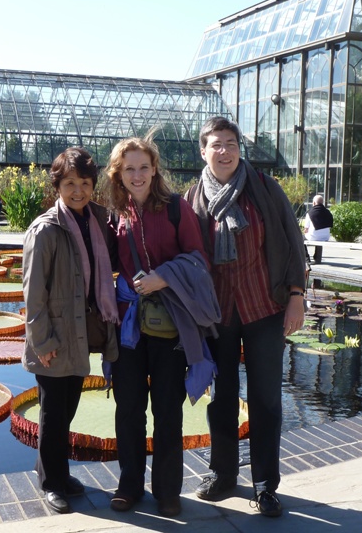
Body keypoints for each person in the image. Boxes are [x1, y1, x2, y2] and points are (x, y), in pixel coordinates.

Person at [185, 116, 306, 518]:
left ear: (240, 148)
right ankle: (222, 474)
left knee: (266, 399)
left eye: (231, 143)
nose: (225, 151)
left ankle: (265, 486)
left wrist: (296, 296)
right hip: (218, 314)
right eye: (216, 144)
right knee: (221, 399)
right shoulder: (192, 199)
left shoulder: (265, 189)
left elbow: (292, 243)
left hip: (264, 308)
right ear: (203, 151)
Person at [105, 136, 217, 518]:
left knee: (168, 409)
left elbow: (198, 258)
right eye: (129, 169)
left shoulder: (175, 209)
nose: (137, 175)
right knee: (129, 408)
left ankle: (168, 490)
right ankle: (129, 485)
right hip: (130, 327)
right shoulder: (114, 214)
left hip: (171, 325)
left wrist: (163, 277)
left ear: (155, 170)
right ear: (119, 174)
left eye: (144, 167)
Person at [21, 147, 119, 515]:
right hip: (54, 337)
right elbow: (32, 292)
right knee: (52, 413)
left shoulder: (97, 221)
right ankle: (51, 483)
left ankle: (55, 473)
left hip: (80, 334)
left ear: (93, 185)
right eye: (69, 183)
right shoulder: (45, 229)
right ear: (57, 186)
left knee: (69, 407)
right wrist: (41, 341)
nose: (77, 190)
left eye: (84, 183)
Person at [304, 194, 334, 262]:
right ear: (322, 203)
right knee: (319, 235)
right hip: (326, 237)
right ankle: (317, 257)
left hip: (313, 237)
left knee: (300, 238)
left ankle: (307, 259)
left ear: (314, 203)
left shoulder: (310, 213)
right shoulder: (328, 212)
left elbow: (306, 229)